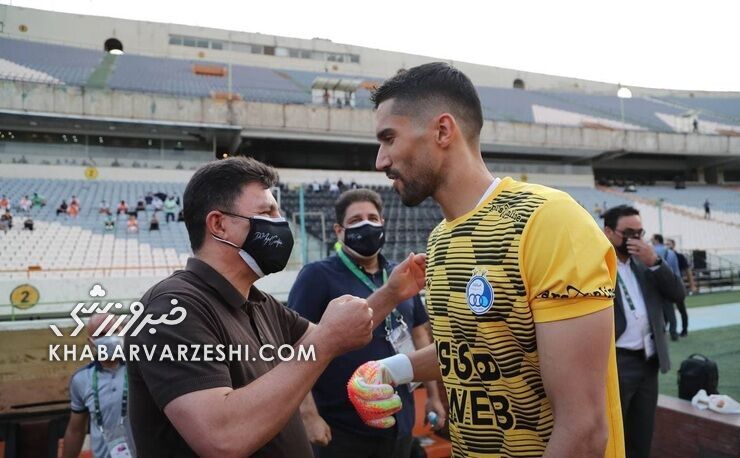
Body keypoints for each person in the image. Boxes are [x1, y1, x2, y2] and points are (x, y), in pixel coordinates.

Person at [347, 62, 624, 457]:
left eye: (389, 138)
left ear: (443, 131)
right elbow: (476, 348)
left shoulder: (547, 221)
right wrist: (392, 369)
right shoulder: (440, 240)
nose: (381, 160)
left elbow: (583, 430)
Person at [126, 157, 424, 457]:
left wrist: (392, 293)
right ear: (219, 225)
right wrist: (325, 342)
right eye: (267, 212)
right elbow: (222, 437)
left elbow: (340, 332)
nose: (281, 223)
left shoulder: (259, 302)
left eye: (278, 211)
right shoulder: (171, 309)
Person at [289, 189, 443, 458]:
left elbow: (419, 335)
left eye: (372, 218)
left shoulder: (400, 273)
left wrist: (433, 395)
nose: (366, 225)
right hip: (342, 427)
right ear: (339, 230)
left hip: (400, 418)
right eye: (356, 220)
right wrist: (308, 414)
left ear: (383, 223)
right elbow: (296, 346)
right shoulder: (317, 276)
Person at [602, 205, 685, 458]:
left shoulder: (645, 263)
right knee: (613, 437)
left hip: (648, 361)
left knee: (642, 434)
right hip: (617, 362)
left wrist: (656, 262)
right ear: (608, 232)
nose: (636, 239)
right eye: (629, 233)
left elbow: (677, 294)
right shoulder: (598, 265)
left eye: (640, 233)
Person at [62, 313, 133, 458]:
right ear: (91, 341)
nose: (109, 337)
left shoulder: (141, 370)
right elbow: (76, 430)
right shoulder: (81, 379)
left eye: (114, 331)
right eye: (101, 334)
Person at [651, 233, 682, 341]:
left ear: (656, 240)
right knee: (669, 310)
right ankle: (673, 332)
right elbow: (676, 270)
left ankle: (658, 332)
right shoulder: (671, 252)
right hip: (669, 284)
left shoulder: (651, 251)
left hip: (655, 284)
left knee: (655, 310)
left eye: (652, 239)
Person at [666, 238, 691, 336]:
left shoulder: (679, 256)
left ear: (673, 245)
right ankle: (668, 330)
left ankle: (684, 330)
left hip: (677, 285)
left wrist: (691, 284)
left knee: (681, 309)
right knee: (667, 309)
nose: (667, 246)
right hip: (667, 285)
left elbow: (687, 270)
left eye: (669, 244)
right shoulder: (663, 255)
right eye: (666, 244)